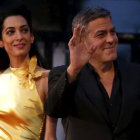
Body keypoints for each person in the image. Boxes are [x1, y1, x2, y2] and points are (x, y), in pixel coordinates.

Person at [45, 6, 140, 140]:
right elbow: (54, 110)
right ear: (82, 41)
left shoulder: (136, 74)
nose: (111, 39)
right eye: (101, 34)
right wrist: (74, 70)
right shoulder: (63, 74)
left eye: (112, 32)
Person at [0, 4, 57, 140]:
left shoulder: (47, 78)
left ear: (31, 37)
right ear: (1, 42)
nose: (19, 37)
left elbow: (50, 137)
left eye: (24, 30)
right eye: (10, 32)